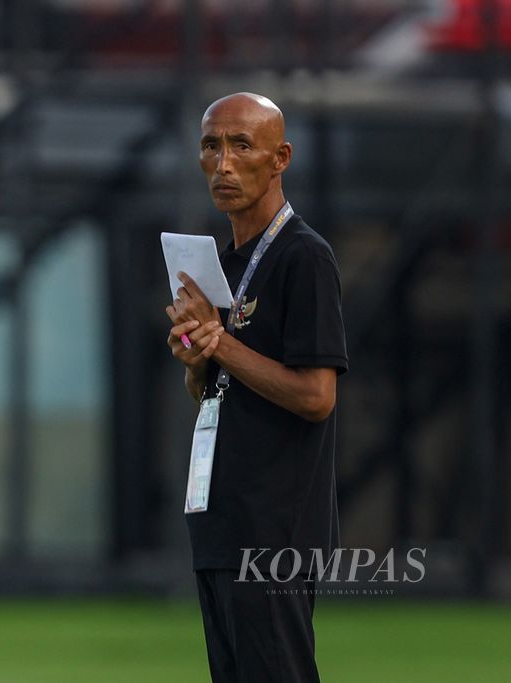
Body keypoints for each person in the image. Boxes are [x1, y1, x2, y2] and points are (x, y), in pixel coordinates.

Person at [166, 92, 348, 682]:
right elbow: (219, 394)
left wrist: (222, 344)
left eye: (241, 146)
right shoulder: (227, 264)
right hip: (223, 521)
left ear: (280, 158)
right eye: (211, 146)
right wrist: (197, 360)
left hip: (272, 532)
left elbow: (317, 397)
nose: (223, 164)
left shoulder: (304, 258)